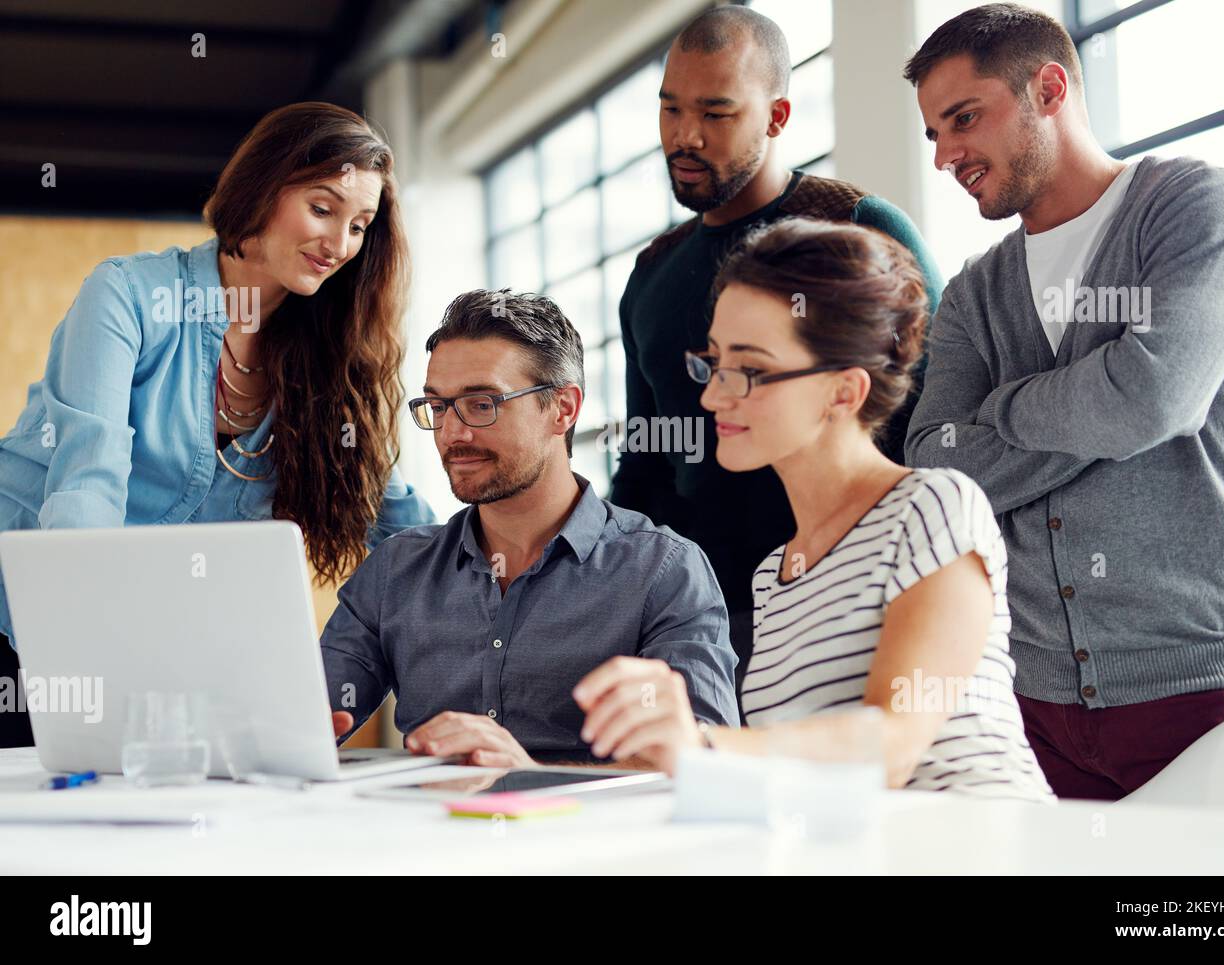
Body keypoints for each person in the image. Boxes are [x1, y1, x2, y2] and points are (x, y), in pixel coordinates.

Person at [901, 4, 1224, 799]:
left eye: (964, 119)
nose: (946, 155)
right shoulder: (977, 289)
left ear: (1049, 88)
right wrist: (1099, 397)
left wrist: (1000, 408)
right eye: (934, 135)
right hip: (1032, 708)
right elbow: (935, 461)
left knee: (1190, 926)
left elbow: (1150, 399)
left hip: (1206, 690)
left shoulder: (1201, 208)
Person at [0, 102, 433, 748]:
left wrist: (502, 569)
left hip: (150, 656)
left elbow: (402, 525)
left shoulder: (331, 362)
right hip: (29, 623)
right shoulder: (128, 296)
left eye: (359, 225)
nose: (340, 244)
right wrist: (96, 666)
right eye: (323, 208)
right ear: (263, 186)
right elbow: (85, 494)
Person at [575, 219, 1053, 801]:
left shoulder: (932, 508)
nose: (711, 395)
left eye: (748, 370)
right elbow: (790, 777)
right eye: (714, 360)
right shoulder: (775, 574)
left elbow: (894, 743)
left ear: (843, 392)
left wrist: (700, 746)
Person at [609, 5, 946, 696]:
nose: (685, 136)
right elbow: (646, 465)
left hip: (852, 594)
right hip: (701, 616)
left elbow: (938, 413)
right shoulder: (651, 274)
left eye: (717, 113)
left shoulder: (855, 226)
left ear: (779, 115)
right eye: (670, 110)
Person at [323, 290, 739, 765]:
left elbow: (703, 765)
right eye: (438, 407)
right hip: (427, 831)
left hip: (589, 836)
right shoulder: (396, 570)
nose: (453, 434)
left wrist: (529, 775)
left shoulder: (662, 571)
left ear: (563, 408)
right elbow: (312, 710)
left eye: (481, 404)